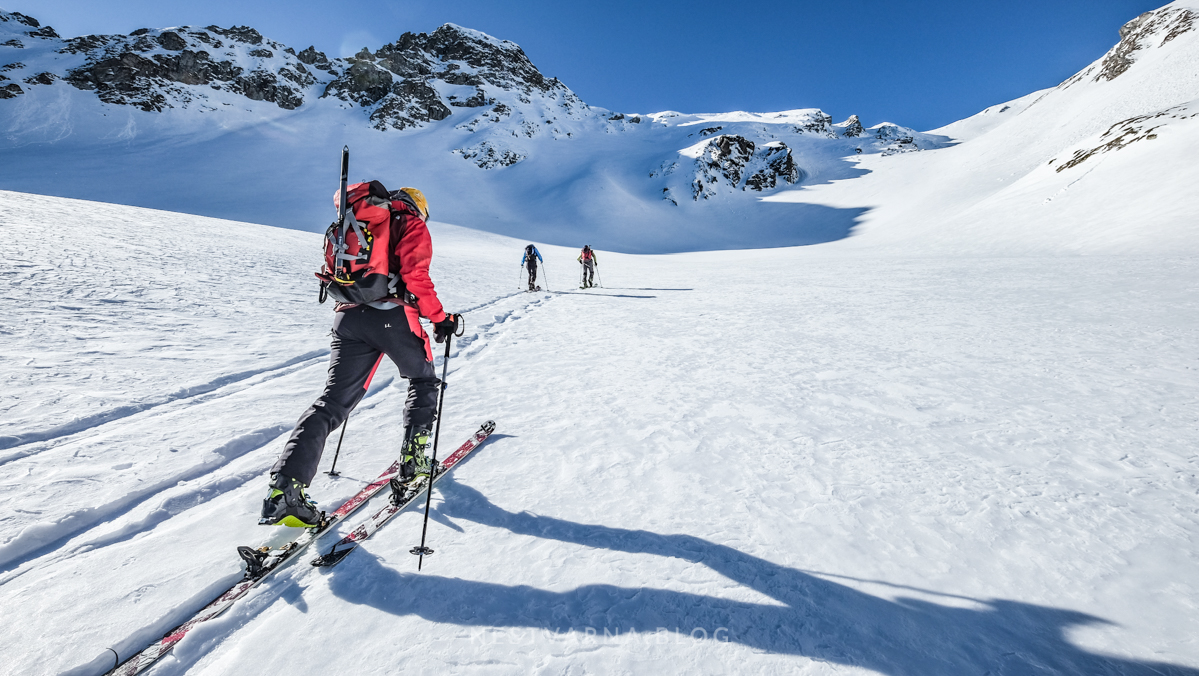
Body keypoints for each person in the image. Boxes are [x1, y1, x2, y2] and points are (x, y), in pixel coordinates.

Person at [260, 186, 460, 527]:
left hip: (348, 316)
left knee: (332, 403)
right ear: (419, 208)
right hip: (393, 317)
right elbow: (415, 276)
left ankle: (285, 491)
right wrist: (441, 319)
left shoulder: (357, 221)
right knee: (423, 379)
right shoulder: (409, 222)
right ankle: (414, 463)